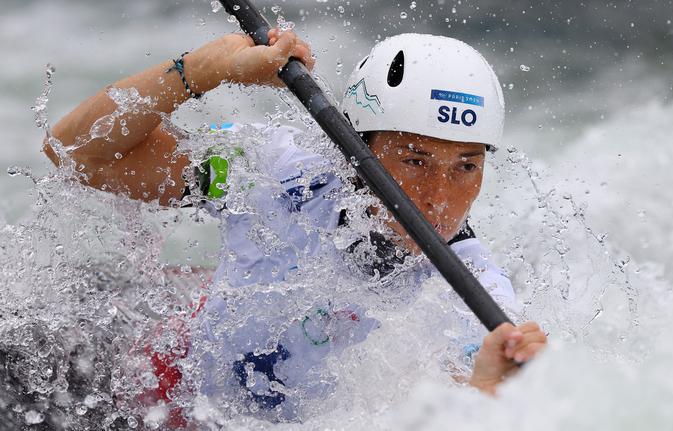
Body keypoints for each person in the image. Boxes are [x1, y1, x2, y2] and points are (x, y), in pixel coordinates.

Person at [44, 28, 547, 423]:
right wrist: (203, 69)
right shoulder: (273, 170)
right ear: (356, 149)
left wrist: (486, 391)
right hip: (150, 392)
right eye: (415, 161)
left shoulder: (479, 303)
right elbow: (75, 152)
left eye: (466, 165)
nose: (440, 199)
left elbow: (462, 405)